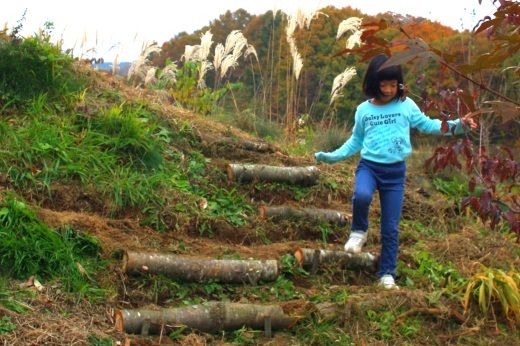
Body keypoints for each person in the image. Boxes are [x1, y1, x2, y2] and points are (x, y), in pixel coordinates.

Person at [314, 54, 478, 289]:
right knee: (361, 196)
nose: (389, 89)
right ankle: (359, 231)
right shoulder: (364, 110)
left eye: (393, 84)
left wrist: (459, 124)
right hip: (369, 167)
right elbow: (355, 141)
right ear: (373, 83)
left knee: (390, 227)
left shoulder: (405, 105)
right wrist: (330, 157)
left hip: (395, 173)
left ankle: (386, 274)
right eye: (383, 84)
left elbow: (429, 125)